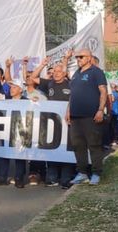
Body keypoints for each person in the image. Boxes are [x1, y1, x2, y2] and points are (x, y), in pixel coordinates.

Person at [65, 48, 108, 186]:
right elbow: (73, 94)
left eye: (81, 57)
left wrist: (100, 110)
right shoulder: (76, 74)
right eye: (77, 57)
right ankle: (82, 172)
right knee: (78, 145)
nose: (78, 59)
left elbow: (103, 91)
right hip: (76, 116)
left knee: (94, 144)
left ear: (89, 58)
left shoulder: (96, 72)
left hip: (91, 115)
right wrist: (68, 110)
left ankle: (96, 173)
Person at [43, 57, 76, 187]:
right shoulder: (48, 84)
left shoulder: (71, 85)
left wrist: (66, 60)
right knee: (52, 149)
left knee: (67, 149)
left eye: (59, 71)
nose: (56, 73)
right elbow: (30, 80)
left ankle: (66, 178)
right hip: (52, 124)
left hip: (68, 123)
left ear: (65, 73)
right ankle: (52, 177)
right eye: (54, 71)